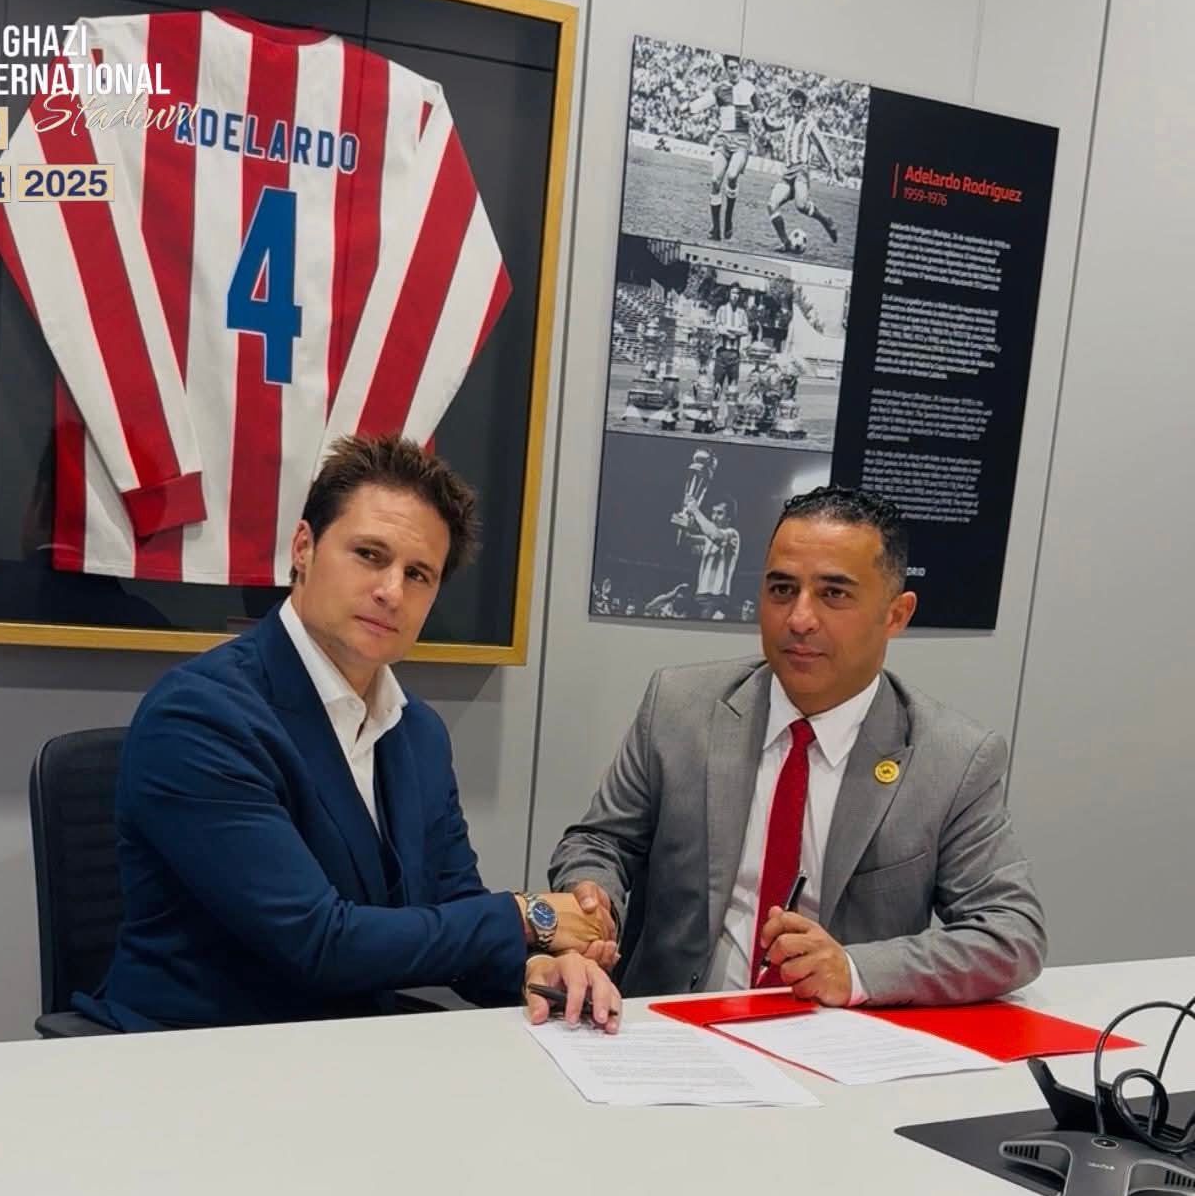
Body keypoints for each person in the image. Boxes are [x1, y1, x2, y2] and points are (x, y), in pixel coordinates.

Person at [77, 435, 620, 1032]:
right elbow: (317, 941)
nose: (392, 591)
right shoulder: (200, 716)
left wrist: (535, 968)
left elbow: (454, 909)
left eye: (418, 574)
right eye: (368, 554)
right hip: (198, 1052)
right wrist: (529, 916)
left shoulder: (418, 732)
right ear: (303, 548)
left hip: (353, 1046)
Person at [549, 486, 1046, 1007]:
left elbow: (1011, 932)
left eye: (834, 594)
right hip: (672, 1021)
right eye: (782, 589)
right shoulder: (679, 708)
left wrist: (854, 970)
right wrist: (593, 896)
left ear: (896, 615)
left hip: (839, 1034)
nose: (799, 619)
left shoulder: (951, 758)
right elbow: (600, 842)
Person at [762, 88, 841, 253]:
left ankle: (826, 220)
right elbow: (769, 127)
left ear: (804, 107)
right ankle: (786, 243)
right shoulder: (788, 121)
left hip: (801, 171)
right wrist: (766, 112)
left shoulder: (809, 124)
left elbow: (822, 146)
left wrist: (835, 168)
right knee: (771, 205)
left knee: (801, 205)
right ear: (790, 106)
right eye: (794, 106)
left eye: (799, 107)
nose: (796, 110)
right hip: (787, 172)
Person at [689, 54, 756, 240]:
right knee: (715, 180)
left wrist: (752, 117)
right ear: (726, 70)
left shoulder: (749, 88)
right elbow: (703, 102)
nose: (734, 71)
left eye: (736, 68)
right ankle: (716, 229)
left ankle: (728, 219)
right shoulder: (720, 88)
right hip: (723, 138)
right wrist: (687, 108)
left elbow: (761, 110)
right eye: (731, 68)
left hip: (742, 139)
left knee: (732, 176)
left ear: (740, 69)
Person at [682, 494, 740, 619]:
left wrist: (695, 511)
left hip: (716, 598)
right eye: (713, 512)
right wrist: (685, 521)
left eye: (720, 513)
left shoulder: (732, 534)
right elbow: (686, 540)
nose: (714, 517)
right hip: (700, 596)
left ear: (729, 518)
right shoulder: (707, 539)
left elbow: (715, 535)